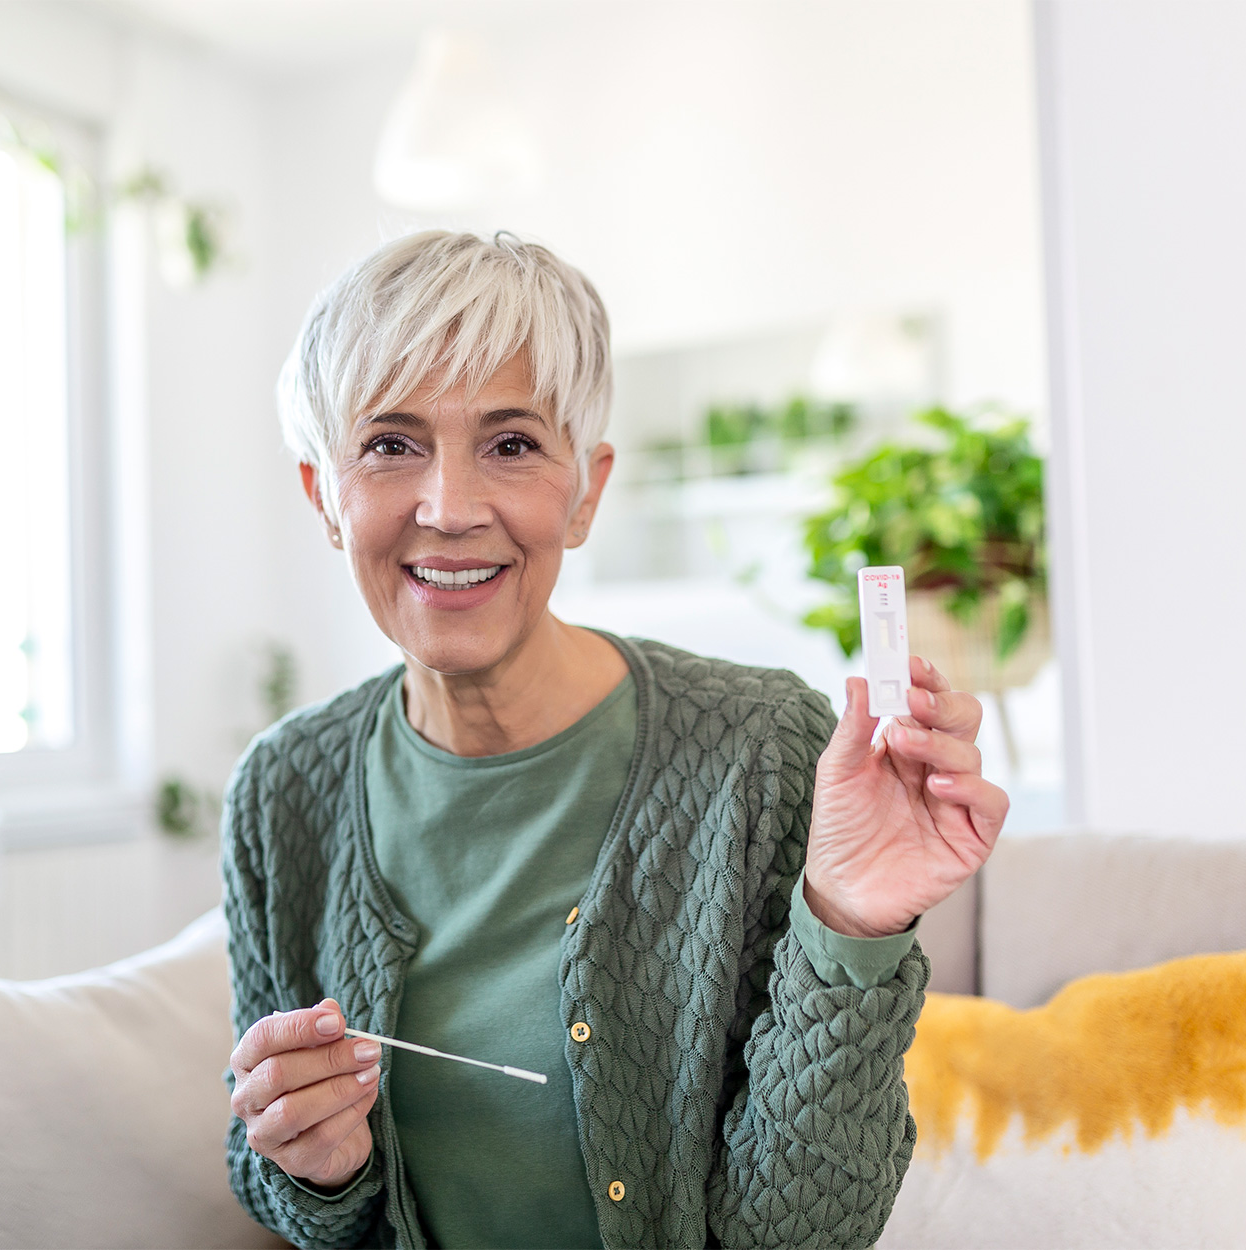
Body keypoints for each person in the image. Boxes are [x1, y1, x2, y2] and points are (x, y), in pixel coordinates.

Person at [222, 231, 1005, 1249]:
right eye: (389, 444)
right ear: (324, 495)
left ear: (585, 489)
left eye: (511, 444)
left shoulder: (760, 750)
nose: (451, 507)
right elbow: (264, 1167)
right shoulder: (283, 792)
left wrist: (850, 923)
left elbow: (798, 1236)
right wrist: (318, 1167)